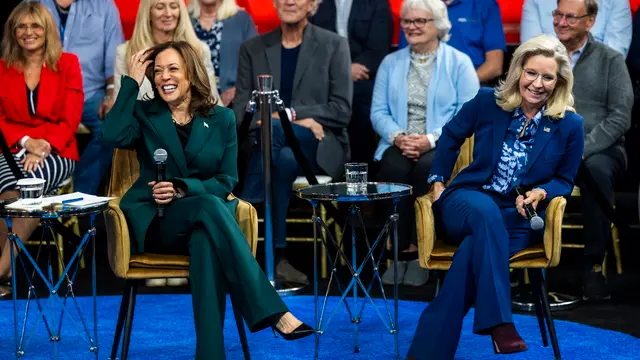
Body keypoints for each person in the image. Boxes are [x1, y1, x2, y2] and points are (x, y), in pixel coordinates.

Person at [103, 41, 313, 359]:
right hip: (157, 221)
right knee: (212, 207)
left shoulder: (223, 119)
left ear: (191, 73)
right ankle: (273, 310)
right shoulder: (145, 113)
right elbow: (113, 135)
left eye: (173, 68)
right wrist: (131, 83)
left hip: (204, 220)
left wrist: (182, 188)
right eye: (157, 71)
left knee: (205, 240)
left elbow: (227, 180)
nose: (164, 77)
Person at [406, 35, 584, 359]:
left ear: (559, 82)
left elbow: (564, 179)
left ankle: (426, 353)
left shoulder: (569, 125)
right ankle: (500, 322)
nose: (537, 83)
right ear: (518, 71)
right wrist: (437, 181)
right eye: (531, 72)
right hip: (467, 201)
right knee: (485, 211)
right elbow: (449, 136)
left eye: (548, 76)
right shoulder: (488, 101)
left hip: (515, 217)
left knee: (471, 254)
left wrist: (541, 192)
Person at [233, 0, 352, 284]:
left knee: (274, 131)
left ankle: (244, 206)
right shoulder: (253, 48)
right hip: (271, 145)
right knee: (283, 158)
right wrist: (276, 120)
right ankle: (279, 257)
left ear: (312, 4)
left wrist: (291, 116)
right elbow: (240, 111)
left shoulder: (334, 45)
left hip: (318, 144)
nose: (289, 1)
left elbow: (342, 110)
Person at [371, 0, 479, 287]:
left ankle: (422, 253)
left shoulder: (459, 62)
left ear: (438, 25)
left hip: (444, 144)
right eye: (407, 21)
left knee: (425, 173)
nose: (412, 27)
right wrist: (398, 137)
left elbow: (468, 114)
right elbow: (377, 112)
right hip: (399, 141)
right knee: (391, 172)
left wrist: (431, 138)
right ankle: (398, 254)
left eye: (420, 21)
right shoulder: (389, 63)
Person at [0, 2, 83, 299]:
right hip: (12, 148)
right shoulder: (3, 67)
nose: (28, 32)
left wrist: (42, 147)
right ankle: (5, 271)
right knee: (8, 191)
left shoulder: (68, 64)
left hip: (58, 150)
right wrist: (25, 142)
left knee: (30, 189)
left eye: (35, 26)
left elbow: (70, 117)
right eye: (21, 26)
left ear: (47, 31)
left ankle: (0, 269)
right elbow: (1, 119)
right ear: (13, 32)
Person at [552, 0, 633, 301]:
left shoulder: (611, 59)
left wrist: (583, 149)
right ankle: (526, 261)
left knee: (596, 171)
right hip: (551, 145)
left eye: (570, 17)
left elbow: (621, 117)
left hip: (601, 147)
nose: (561, 22)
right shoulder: (542, 56)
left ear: (590, 21)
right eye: (558, 15)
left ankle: (593, 265)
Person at [33, 0, 124, 196]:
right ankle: (47, 188)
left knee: (113, 124)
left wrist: (110, 93)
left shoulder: (105, 6)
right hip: (44, 92)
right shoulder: (32, 4)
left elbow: (114, 56)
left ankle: (80, 194)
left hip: (90, 92)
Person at [311, 0, 392, 164]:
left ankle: (361, 172)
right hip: (324, 76)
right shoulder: (315, 3)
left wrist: (349, 72)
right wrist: (343, 71)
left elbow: (378, 47)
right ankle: (326, 170)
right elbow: (311, 47)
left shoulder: (377, 3)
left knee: (362, 103)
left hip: (363, 77)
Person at [114, 0, 220, 101]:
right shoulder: (125, 53)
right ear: (148, 13)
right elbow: (120, 105)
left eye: (173, 6)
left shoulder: (199, 49)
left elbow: (211, 98)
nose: (168, 13)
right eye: (160, 7)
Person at [399, 0, 506, 84]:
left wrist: (460, 85)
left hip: (473, 85)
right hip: (422, 87)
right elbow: (404, 63)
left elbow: (494, 66)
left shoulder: (485, 4)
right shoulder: (414, 6)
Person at [189, 0, 258, 107]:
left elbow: (257, 62)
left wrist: (238, 89)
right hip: (192, 101)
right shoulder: (184, 20)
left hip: (233, 103)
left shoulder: (242, 19)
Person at [521, 0, 632, 57]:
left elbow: (614, 57)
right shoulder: (535, 1)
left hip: (597, 79)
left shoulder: (617, 1)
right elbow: (531, 50)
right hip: (547, 77)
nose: (563, 23)